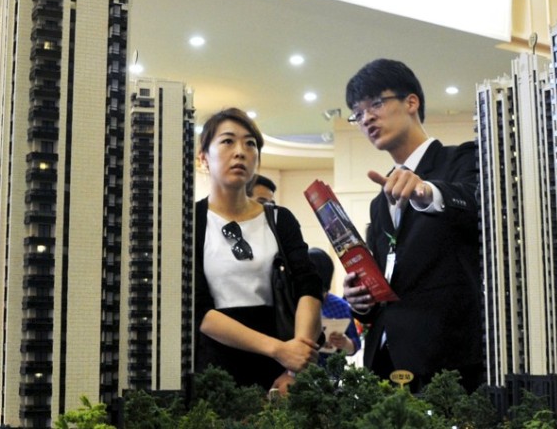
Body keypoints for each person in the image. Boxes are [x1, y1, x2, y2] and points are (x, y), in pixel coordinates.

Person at [341, 59, 483, 393]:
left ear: (411, 102)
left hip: (448, 359)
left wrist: (426, 192)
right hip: (386, 361)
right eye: (358, 114)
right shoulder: (381, 201)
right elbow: (390, 275)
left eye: (376, 103)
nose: (367, 118)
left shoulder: (461, 160)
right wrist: (361, 300)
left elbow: (476, 203)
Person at [193, 108, 323, 393]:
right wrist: (278, 349)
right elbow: (198, 309)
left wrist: (293, 366)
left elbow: (308, 288)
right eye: (227, 141)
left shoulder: (279, 219)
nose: (240, 151)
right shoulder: (190, 222)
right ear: (203, 158)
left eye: (250, 144)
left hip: (281, 372)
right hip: (216, 369)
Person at [307, 247, 360, 365]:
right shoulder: (292, 303)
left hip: (331, 374)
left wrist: (344, 343)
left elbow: (355, 347)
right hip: (297, 373)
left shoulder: (342, 306)